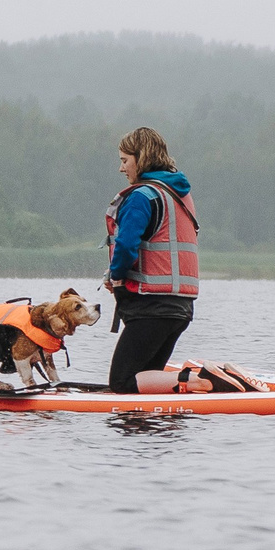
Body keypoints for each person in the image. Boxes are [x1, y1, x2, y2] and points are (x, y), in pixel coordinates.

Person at [102, 125, 198, 393]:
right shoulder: (178, 194)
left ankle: (202, 381)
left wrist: (115, 275)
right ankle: (156, 427)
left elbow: (126, 245)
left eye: (125, 160)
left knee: (122, 382)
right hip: (180, 308)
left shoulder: (141, 196)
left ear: (140, 158)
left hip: (152, 307)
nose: (122, 169)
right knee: (146, 380)